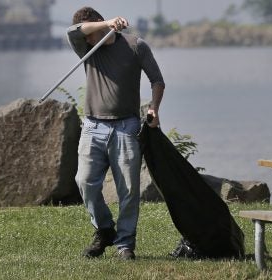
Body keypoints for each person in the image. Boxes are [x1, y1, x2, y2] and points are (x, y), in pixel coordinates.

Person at [67, 7, 165, 260]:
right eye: (88, 34)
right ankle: (104, 230)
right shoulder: (85, 48)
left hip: (126, 126)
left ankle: (125, 244)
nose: (89, 39)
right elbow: (75, 31)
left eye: (93, 31)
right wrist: (106, 24)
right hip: (92, 126)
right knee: (84, 182)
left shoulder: (136, 45)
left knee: (129, 190)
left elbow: (157, 80)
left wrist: (154, 107)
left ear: (101, 24)